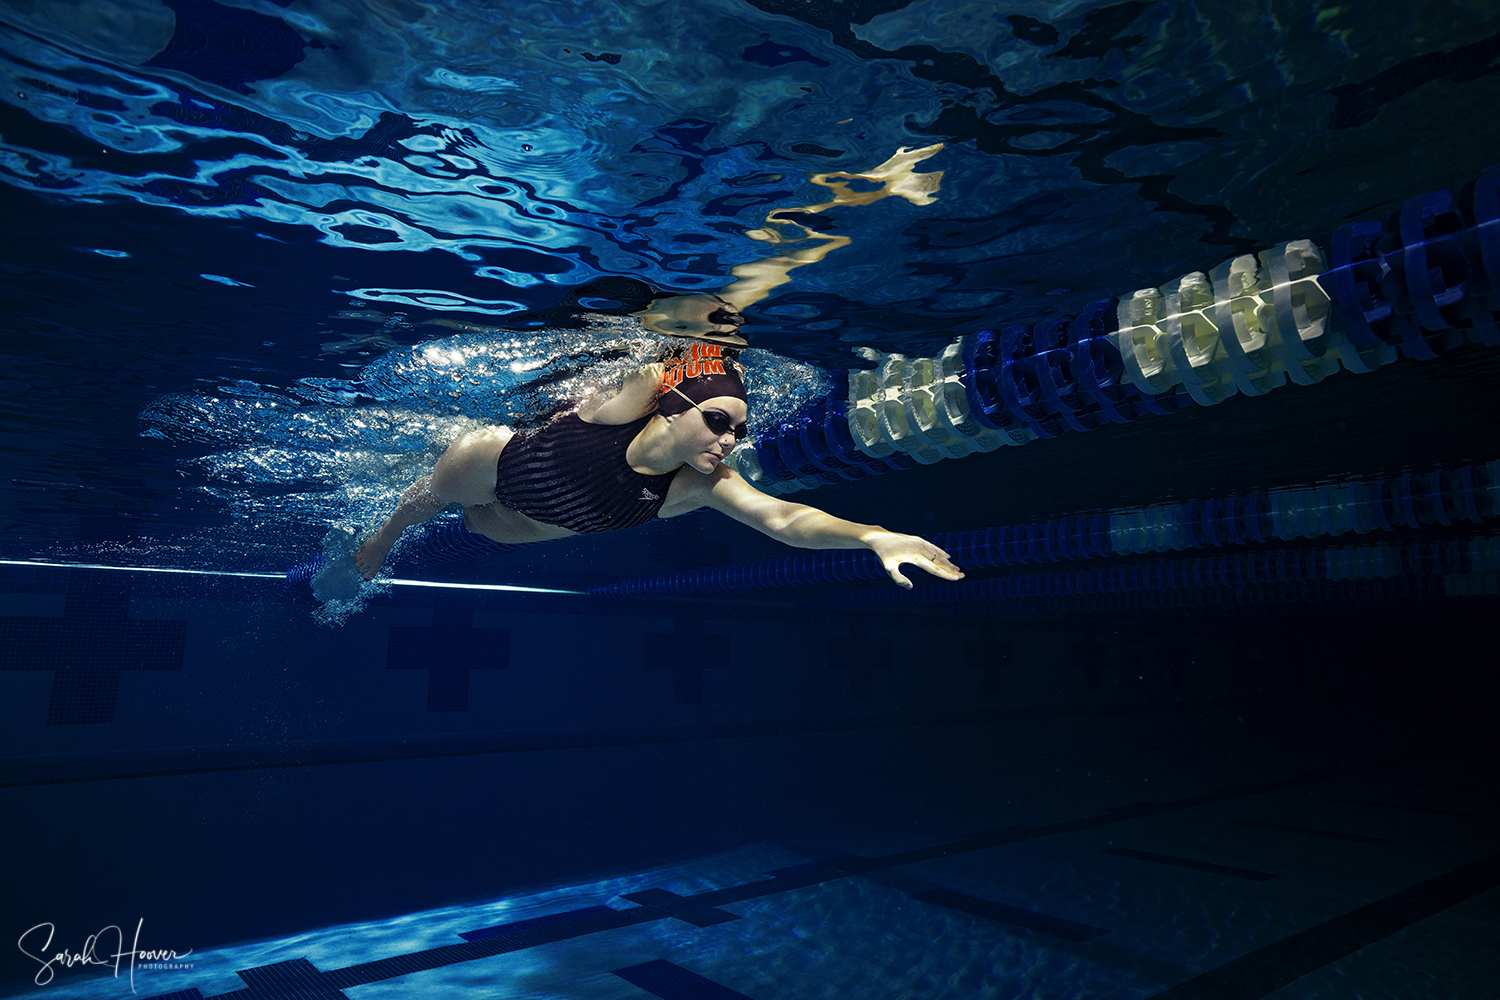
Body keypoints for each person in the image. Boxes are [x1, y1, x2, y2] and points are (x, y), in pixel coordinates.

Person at [354, 341, 963, 588]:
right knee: (430, 501)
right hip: (500, 467)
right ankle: (381, 539)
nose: (730, 439)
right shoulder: (617, 405)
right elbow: (665, 353)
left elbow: (783, 520)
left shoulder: (703, 484)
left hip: (539, 520)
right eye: (719, 421)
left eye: (740, 429)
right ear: (672, 410)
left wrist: (874, 536)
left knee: (478, 527)